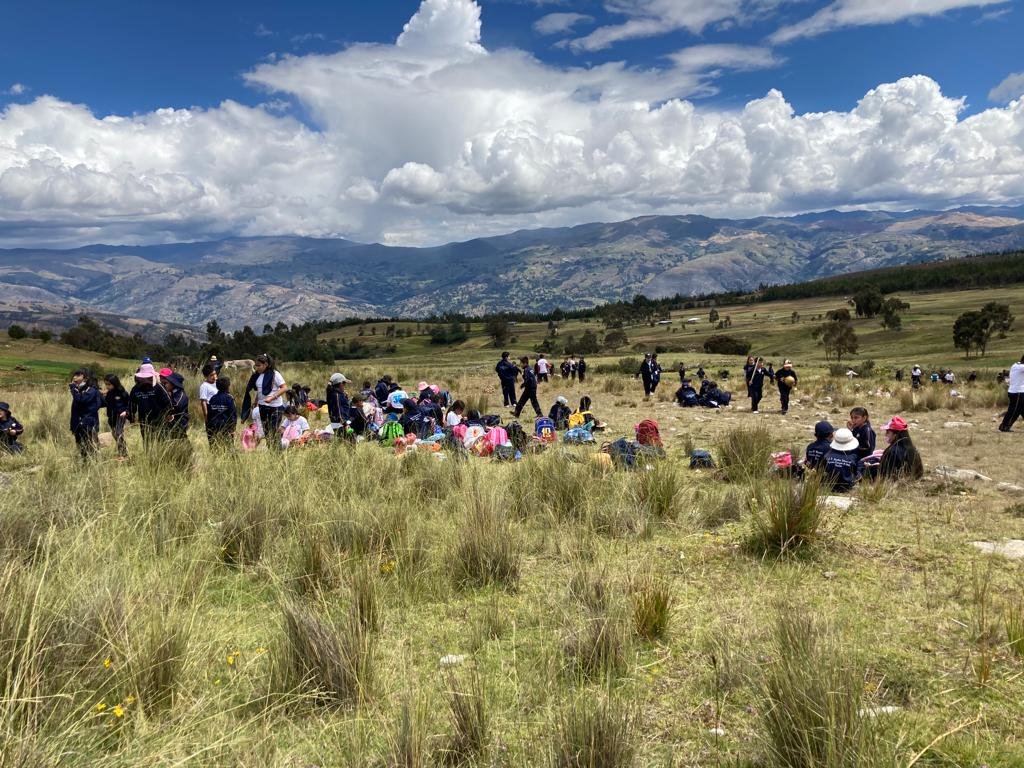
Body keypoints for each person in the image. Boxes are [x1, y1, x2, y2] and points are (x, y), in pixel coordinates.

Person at [244, 354, 288, 446]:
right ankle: (271, 452)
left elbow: (284, 388)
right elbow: (260, 391)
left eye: (259, 365)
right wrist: (256, 401)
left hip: (274, 407)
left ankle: (277, 452)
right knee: (266, 431)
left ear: (266, 364)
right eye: (256, 365)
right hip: (262, 406)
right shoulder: (257, 375)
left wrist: (272, 397)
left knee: (273, 431)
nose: (257, 367)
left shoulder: (275, 374)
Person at [861, 416, 924, 481]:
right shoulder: (913, 449)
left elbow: (885, 474)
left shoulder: (892, 451)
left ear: (895, 434)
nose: (886, 435)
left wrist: (870, 468)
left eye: (888, 432)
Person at [129, 362, 172, 447]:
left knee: (162, 441)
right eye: (143, 377)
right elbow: (131, 405)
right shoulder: (135, 389)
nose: (146, 379)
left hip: (159, 420)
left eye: (148, 377)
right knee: (147, 442)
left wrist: (169, 414)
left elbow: (167, 402)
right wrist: (131, 418)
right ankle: (149, 458)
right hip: (144, 420)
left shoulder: (158, 387)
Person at [69, 368, 103, 459]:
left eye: (78, 375)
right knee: (80, 445)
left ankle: (94, 464)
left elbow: (81, 400)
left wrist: (73, 388)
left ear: (85, 378)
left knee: (90, 444)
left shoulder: (91, 390)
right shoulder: (79, 389)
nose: (74, 377)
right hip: (78, 423)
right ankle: (85, 463)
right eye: (74, 375)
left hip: (89, 423)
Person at [821, 427, 862, 492]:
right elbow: (857, 472)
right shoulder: (854, 457)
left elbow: (823, 469)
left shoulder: (827, 455)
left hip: (829, 485)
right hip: (847, 486)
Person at [103, 374, 131, 458]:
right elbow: (105, 403)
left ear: (114, 383)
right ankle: (122, 451)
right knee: (115, 433)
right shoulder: (108, 393)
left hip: (121, 415)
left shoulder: (122, 392)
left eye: (109, 384)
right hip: (111, 416)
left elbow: (129, 404)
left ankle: (123, 453)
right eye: (106, 384)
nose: (107, 386)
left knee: (118, 432)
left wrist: (126, 412)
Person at [206, 376, 238, 446]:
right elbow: (233, 415)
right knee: (229, 448)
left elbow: (209, 414)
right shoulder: (229, 398)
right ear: (228, 386)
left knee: (215, 447)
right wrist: (233, 429)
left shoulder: (213, 398)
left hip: (213, 427)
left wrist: (209, 426)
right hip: (226, 428)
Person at [999, 353, 1024, 433]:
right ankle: (1004, 426)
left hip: (1013, 391)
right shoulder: (1022, 367)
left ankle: (1005, 426)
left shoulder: (1015, 365)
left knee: (1020, 409)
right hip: (1018, 392)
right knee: (1014, 411)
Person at [163, 372, 190, 439]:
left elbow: (175, 406)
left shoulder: (180, 395)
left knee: (181, 440)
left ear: (173, 384)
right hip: (174, 423)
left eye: (166, 383)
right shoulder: (173, 393)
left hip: (180, 423)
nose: (164, 385)